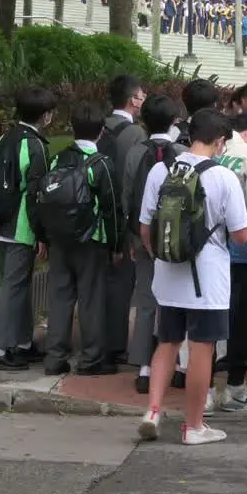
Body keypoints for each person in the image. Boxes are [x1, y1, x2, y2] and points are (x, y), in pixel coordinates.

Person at [136, 109, 247, 446]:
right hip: (208, 279)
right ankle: (194, 425)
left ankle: (153, 411)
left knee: (167, 343)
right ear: (219, 141)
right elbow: (241, 234)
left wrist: (160, 255)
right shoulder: (223, 177)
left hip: (167, 274)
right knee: (202, 349)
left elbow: (146, 227)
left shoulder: (161, 170)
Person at [36, 101, 124, 376]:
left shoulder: (58, 159)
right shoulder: (102, 164)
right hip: (91, 240)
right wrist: (117, 245)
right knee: (91, 299)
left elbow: (42, 199)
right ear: (101, 132)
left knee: (60, 297)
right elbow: (112, 210)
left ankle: (55, 357)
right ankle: (91, 359)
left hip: (59, 239)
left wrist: (43, 237)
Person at [0, 86, 55, 370]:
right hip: (19, 227)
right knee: (14, 285)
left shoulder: (6, 137)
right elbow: (37, 195)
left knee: (17, 283)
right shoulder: (35, 146)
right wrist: (42, 234)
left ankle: (23, 342)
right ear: (46, 116)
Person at [122, 94, 187, 393]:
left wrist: (134, 236)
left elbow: (126, 198)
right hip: (175, 240)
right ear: (174, 120)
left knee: (146, 299)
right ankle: (175, 363)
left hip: (142, 235)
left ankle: (144, 366)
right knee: (175, 301)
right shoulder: (183, 153)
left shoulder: (135, 153)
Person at [214, 113, 247, 412]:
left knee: (205, 320)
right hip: (241, 250)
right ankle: (235, 389)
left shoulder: (195, 158)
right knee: (240, 321)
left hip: (207, 253)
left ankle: (205, 390)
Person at [102, 76, 148, 367]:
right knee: (122, 283)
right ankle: (116, 345)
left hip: (95, 214)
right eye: (142, 95)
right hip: (122, 216)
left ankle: (97, 339)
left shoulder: (99, 124)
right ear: (133, 100)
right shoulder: (136, 134)